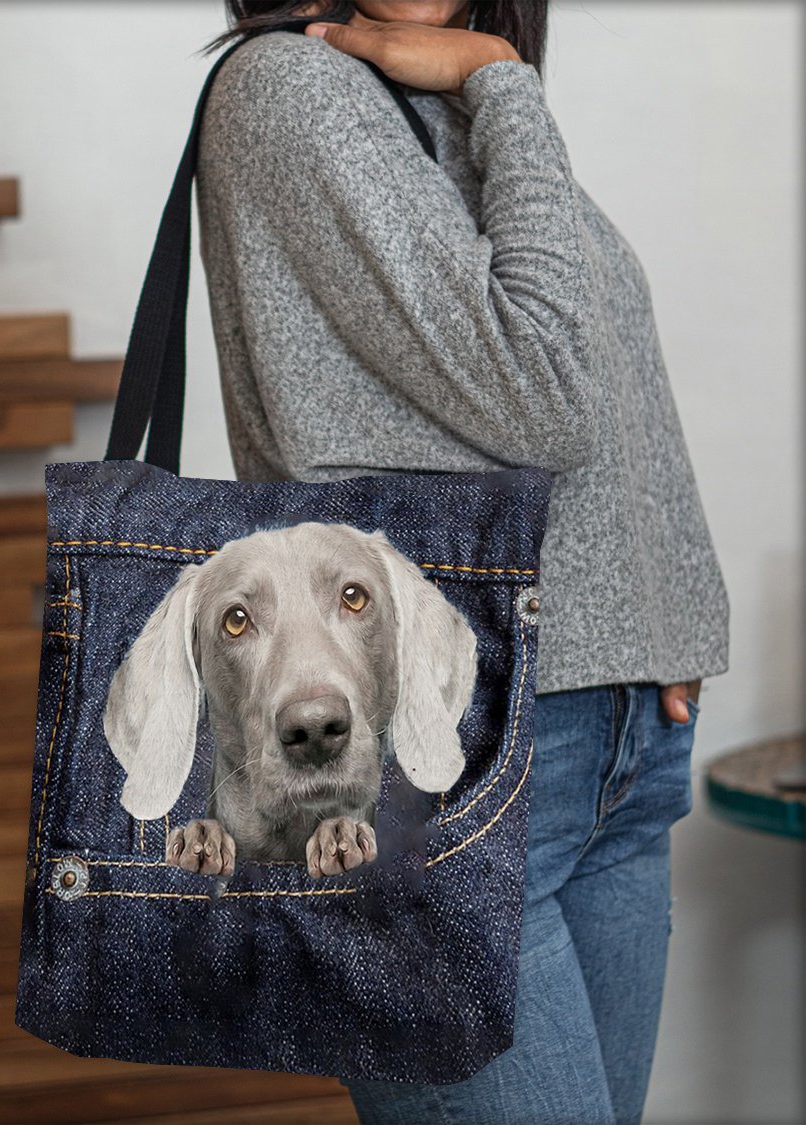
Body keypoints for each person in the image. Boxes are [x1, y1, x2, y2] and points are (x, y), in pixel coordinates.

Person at [194, 2, 730, 1122]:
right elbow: (547, 392)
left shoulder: (438, 97)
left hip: (611, 750)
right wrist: (504, 77)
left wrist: (657, 629)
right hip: (453, 769)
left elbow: (608, 368)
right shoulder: (295, 90)